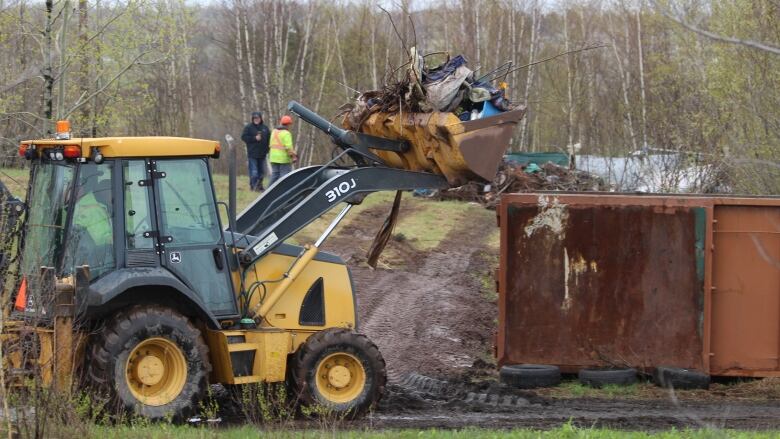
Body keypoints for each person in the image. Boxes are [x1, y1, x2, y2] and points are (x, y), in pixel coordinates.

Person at [240, 111, 271, 191]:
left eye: (258, 118)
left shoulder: (265, 128)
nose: (256, 119)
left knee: (262, 173)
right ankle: (253, 187)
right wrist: (254, 138)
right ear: (252, 118)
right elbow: (243, 137)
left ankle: (259, 186)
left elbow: (269, 140)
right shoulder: (248, 127)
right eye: (254, 118)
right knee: (254, 172)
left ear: (261, 118)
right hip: (252, 154)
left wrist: (268, 149)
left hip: (262, 154)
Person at [268, 115, 297, 185]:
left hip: (273, 157)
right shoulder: (286, 133)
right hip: (283, 159)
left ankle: (268, 191)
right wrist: (294, 156)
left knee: (274, 175)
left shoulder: (274, 131)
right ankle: (282, 192)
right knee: (284, 176)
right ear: (288, 124)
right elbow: (288, 147)